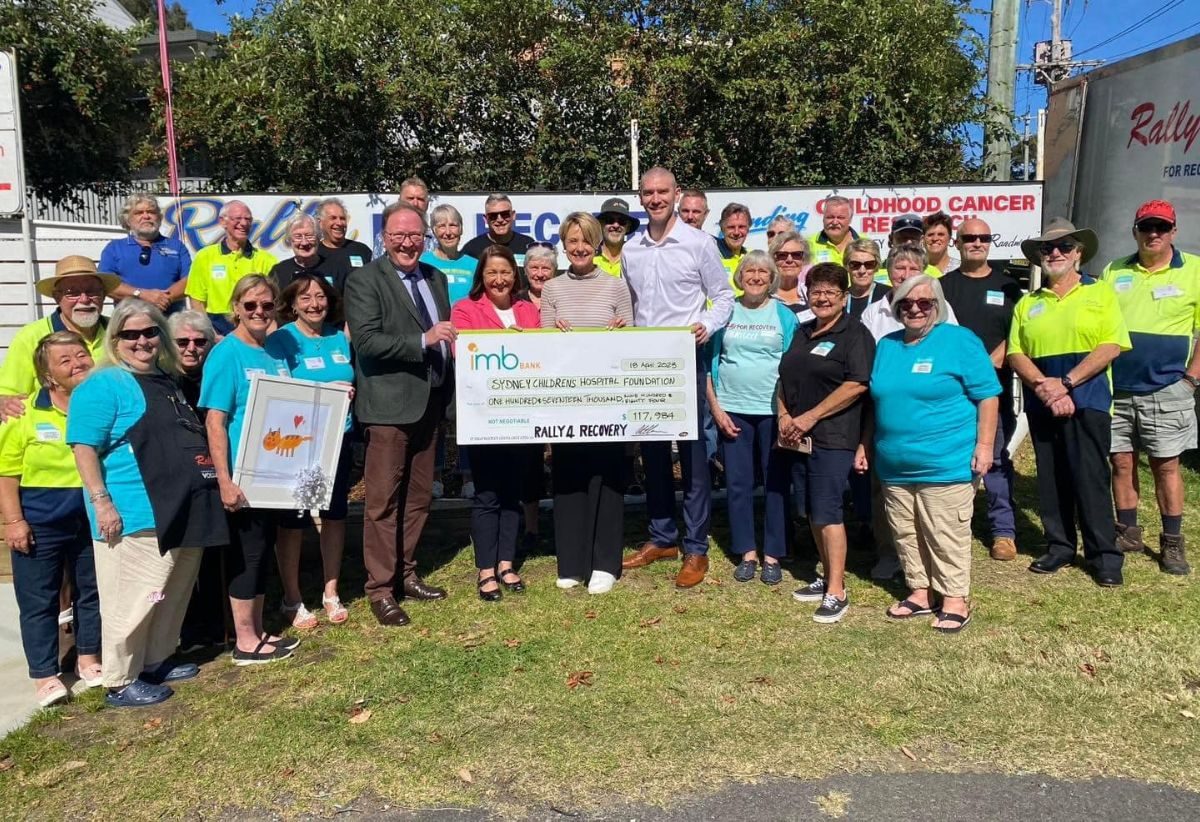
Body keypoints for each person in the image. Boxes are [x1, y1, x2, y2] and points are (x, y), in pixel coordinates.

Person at [68, 300, 229, 705]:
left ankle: (155, 658)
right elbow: (84, 447)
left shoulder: (164, 379)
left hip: (178, 510)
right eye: (130, 334)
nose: (142, 341)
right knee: (134, 596)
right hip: (134, 512)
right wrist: (102, 502)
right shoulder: (103, 384)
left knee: (166, 592)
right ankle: (120, 680)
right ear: (115, 338)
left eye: (150, 332)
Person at [620, 167, 734, 589]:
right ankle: (662, 537)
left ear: (676, 194)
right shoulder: (632, 250)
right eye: (647, 192)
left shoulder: (699, 244)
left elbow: (723, 297)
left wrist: (707, 323)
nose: (655, 199)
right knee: (652, 453)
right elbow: (629, 304)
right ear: (641, 196)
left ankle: (696, 547)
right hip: (646, 366)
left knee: (692, 457)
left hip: (687, 361)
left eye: (662, 191)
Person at [869, 275, 1000, 633]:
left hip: (946, 461)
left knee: (944, 531)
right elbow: (876, 400)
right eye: (906, 304)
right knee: (906, 531)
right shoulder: (887, 345)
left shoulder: (959, 341)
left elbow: (988, 395)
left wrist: (985, 446)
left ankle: (955, 598)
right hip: (894, 464)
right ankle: (920, 591)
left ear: (937, 306)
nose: (914, 309)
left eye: (924, 303)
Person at [344, 202, 454, 626]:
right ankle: (379, 588)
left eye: (414, 235)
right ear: (384, 239)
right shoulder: (364, 280)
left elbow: (444, 334)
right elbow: (368, 342)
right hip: (389, 407)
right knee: (382, 503)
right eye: (398, 236)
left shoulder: (435, 277)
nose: (408, 243)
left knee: (419, 498)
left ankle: (407, 574)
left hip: (430, 403)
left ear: (425, 237)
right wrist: (424, 340)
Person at [1009, 219, 1130, 587]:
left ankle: (1104, 555)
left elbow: (1111, 345)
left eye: (1064, 247)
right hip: (1042, 396)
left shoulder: (1101, 292)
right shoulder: (1028, 302)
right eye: (1048, 249)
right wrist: (1044, 388)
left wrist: (1066, 384)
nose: (1055, 253)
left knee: (1089, 477)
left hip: (1087, 395)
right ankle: (1060, 545)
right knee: (1052, 477)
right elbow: (1016, 352)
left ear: (1078, 253)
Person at [199, 275, 299, 662]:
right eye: (250, 305)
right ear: (235, 308)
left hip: (276, 472)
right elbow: (215, 421)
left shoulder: (274, 351)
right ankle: (244, 641)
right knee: (248, 554)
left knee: (261, 551)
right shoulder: (226, 354)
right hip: (244, 475)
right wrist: (224, 479)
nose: (259, 312)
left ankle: (257, 631)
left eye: (266, 305)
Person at [1, 332, 101, 707]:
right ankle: (45, 676)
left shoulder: (98, 404)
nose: (78, 363)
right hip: (40, 520)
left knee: (92, 591)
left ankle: (89, 659)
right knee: (38, 599)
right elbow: (6, 472)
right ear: (49, 377)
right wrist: (13, 521)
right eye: (66, 360)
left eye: (81, 354)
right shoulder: (25, 412)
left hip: (90, 516)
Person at [1100, 200, 1200, 575]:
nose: (1153, 233)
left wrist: (1191, 379)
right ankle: (1127, 532)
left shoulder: (1195, 270)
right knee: (1121, 461)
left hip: (1169, 388)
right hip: (1118, 388)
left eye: (1161, 227)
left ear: (1173, 231)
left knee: (1166, 466)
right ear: (1135, 231)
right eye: (1146, 227)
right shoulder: (1114, 270)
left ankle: (1172, 542)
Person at [540, 213, 634, 593]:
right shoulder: (553, 288)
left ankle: (605, 563)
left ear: (597, 245)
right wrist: (554, 335)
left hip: (609, 401)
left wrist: (621, 332)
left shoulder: (616, 287)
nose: (579, 248)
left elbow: (630, 342)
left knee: (608, 478)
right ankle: (572, 563)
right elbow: (542, 345)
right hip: (565, 402)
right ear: (564, 245)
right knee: (568, 478)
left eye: (586, 241)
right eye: (572, 241)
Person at [778, 263, 875, 623]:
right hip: (798, 436)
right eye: (816, 291)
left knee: (828, 510)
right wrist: (785, 417)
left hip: (834, 437)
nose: (822, 298)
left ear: (844, 297)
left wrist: (810, 416)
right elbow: (785, 376)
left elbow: (857, 384)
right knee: (811, 510)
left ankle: (837, 589)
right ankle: (824, 576)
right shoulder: (803, 332)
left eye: (830, 292)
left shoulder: (855, 335)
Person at [450, 245, 541, 600]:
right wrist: (511, 343)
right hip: (484, 417)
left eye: (505, 272)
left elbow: (541, 355)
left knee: (512, 493)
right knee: (487, 494)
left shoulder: (527, 310)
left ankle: (507, 563)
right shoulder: (465, 310)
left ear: (514, 275)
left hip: (521, 417)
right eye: (492, 273)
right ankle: (485, 569)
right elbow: (464, 352)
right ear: (481, 277)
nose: (499, 279)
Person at [266, 274, 355, 626]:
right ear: (292, 304)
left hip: (338, 437)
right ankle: (292, 598)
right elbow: (278, 388)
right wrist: (324, 390)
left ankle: (330, 592)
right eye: (305, 298)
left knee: (333, 516)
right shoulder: (281, 339)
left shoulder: (338, 336)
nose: (314, 304)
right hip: (297, 442)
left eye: (320, 296)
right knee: (293, 521)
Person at [706, 251, 798, 585]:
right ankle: (746, 551)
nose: (756, 276)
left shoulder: (784, 315)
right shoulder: (725, 312)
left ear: (772, 277)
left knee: (775, 482)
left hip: (774, 412)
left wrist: (788, 413)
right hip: (733, 411)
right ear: (740, 276)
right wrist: (716, 410)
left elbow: (794, 366)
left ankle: (773, 553)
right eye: (750, 271)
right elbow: (709, 364)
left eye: (763, 271)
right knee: (739, 484)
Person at [940, 219, 1023, 561]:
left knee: (997, 457)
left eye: (983, 237)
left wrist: (990, 362)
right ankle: (950, 525)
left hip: (994, 387)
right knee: (950, 458)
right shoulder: (941, 287)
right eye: (969, 238)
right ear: (957, 244)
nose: (976, 243)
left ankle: (1003, 531)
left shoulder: (1009, 287)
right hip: (951, 390)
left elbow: (1019, 332)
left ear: (991, 243)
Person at [167, 310, 226, 651]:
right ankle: (187, 631)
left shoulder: (214, 374)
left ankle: (217, 629)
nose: (192, 348)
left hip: (214, 475)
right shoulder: (161, 380)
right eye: (183, 342)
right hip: (178, 480)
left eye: (200, 341)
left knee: (214, 555)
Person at [0, 257, 119, 419]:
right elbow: (8, 397)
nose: (84, 299)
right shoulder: (30, 337)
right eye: (72, 293)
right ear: (57, 297)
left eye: (92, 291)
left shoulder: (122, 332)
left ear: (104, 295)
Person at [185, 200, 277, 335]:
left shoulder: (267, 260)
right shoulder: (204, 257)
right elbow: (197, 302)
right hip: (216, 326)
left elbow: (275, 302)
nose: (244, 223)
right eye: (238, 218)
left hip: (254, 321)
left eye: (248, 219)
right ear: (223, 222)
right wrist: (212, 334)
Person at [99, 193, 190, 313]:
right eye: (139, 213)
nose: (146, 216)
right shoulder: (114, 248)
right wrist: (141, 295)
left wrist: (164, 299)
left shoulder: (177, 246)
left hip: (171, 321)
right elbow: (106, 284)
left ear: (159, 217)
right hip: (129, 322)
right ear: (127, 220)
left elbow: (190, 280)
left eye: (151, 212)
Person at [861, 246, 959, 342]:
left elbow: (954, 341)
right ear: (889, 271)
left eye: (913, 269)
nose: (906, 276)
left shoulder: (939, 305)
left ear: (922, 272)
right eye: (900, 268)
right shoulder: (872, 313)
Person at [420, 203, 478, 306]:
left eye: (453, 225)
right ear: (434, 231)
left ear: (461, 229)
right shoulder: (423, 262)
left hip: (466, 321)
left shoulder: (474, 265)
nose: (448, 232)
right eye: (442, 226)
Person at [268, 213, 341, 293]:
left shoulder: (335, 268)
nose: (304, 242)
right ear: (289, 240)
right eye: (298, 237)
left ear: (318, 238)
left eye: (309, 236)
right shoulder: (279, 272)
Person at [461, 193, 535, 264]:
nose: (499, 220)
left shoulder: (527, 245)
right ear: (485, 219)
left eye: (505, 214)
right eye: (493, 216)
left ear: (513, 215)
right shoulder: (472, 249)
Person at [316, 197, 373, 289]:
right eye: (333, 218)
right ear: (320, 223)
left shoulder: (362, 250)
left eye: (342, 218)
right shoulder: (315, 254)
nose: (339, 223)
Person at [767, 230, 812, 315]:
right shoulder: (764, 295)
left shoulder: (811, 292)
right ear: (773, 259)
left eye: (796, 255)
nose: (789, 260)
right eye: (782, 255)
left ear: (804, 260)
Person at [844, 239, 889, 321]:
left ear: (877, 266)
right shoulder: (839, 298)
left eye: (869, 264)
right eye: (855, 265)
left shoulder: (888, 296)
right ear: (846, 266)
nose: (862, 271)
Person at [886, 214, 941, 279]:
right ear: (891, 239)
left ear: (922, 240)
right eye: (903, 238)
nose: (908, 243)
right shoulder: (875, 270)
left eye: (914, 238)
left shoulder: (934, 274)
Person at [594, 197, 638, 277]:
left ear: (628, 227)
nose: (616, 225)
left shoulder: (635, 259)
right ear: (600, 225)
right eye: (609, 220)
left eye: (622, 221)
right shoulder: (589, 257)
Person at [810, 196, 861, 265]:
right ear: (823, 218)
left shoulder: (864, 242)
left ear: (850, 219)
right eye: (830, 217)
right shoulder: (809, 244)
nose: (834, 222)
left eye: (840, 217)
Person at [716, 203, 751, 296]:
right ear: (722, 228)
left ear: (748, 228)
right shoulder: (709, 255)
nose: (736, 232)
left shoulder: (752, 258)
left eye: (741, 227)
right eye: (731, 227)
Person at [523, 242, 557, 311]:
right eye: (534, 268)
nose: (540, 274)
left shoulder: (563, 299)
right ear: (525, 270)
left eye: (545, 268)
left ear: (554, 272)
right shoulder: (516, 300)